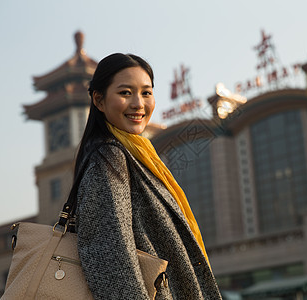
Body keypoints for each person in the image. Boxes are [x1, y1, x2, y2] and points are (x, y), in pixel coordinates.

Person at [73, 53, 222, 299]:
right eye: (125, 93)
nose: (138, 104)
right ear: (99, 100)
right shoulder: (109, 158)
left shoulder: (140, 156)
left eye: (146, 92)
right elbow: (112, 258)